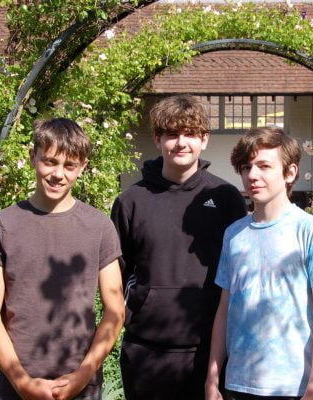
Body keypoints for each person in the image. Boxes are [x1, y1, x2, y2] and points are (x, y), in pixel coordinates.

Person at [0, 118, 125, 400]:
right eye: (50, 162)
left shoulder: (99, 226)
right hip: (17, 381)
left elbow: (115, 311)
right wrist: (22, 381)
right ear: (33, 157)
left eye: (69, 165)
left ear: (82, 167)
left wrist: (83, 375)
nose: (58, 174)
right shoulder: (3, 225)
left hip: (81, 384)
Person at [111, 94, 247, 400]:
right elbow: (117, 275)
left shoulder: (226, 197)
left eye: (190, 134)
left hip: (211, 351)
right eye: (172, 134)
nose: (181, 143)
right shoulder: (131, 201)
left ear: (204, 140)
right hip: (147, 351)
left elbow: (240, 271)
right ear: (158, 139)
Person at [205, 127, 313, 400]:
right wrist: (212, 376)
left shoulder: (311, 231)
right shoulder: (234, 234)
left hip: (293, 387)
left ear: (290, 172)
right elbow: (224, 310)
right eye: (246, 167)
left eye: (264, 166)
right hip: (239, 383)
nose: (252, 175)